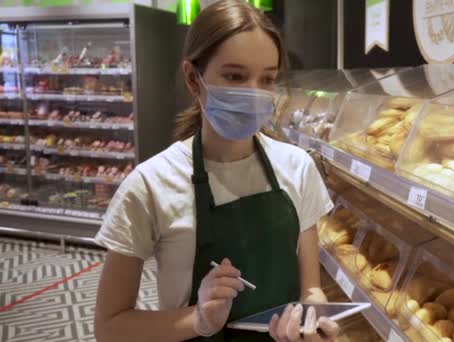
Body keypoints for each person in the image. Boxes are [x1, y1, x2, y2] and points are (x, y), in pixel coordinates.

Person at [94, 1, 339, 341]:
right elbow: (111, 327)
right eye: (234, 76)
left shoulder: (297, 167)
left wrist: (316, 323)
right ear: (194, 79)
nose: (254, 93)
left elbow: (311, 291)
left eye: (266, 79)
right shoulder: (150, 185)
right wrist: (198, 320)